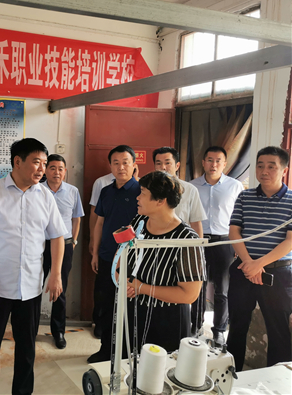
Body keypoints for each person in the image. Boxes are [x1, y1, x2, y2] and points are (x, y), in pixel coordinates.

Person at [0, 138, 66, 395]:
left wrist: (55, 274)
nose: (42, 169)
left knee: (26, 348)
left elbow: (57, 236)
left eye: (44, 163)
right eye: (36, 162)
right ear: (17, 162)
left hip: (31, 286)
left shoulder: (45, 196)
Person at [227, 146, 292, 371]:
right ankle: (232, 373)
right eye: (260, 166)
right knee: (237, 324)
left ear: (284, 170)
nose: (264, 171)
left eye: (271, 167)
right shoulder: (244, 196)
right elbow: (234, 231)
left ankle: (278, 378)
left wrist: (258, 264)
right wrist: (249, 263)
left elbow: (290, 241)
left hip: (278, 273)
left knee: (278, 328)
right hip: (243, 269)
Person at [125, 171, 205, 351]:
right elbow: (122, 257)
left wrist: (141, 288)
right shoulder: (139, 222)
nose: (137, 198)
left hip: (167, 320)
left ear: (160, 200)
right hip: (134, 310)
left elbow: (189, 295)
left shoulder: (187, 239)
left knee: (161, 365)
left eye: (143, 193)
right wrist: (125, 283)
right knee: (129, 363)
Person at [88, 145, 141, 363]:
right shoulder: (106, 191)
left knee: (129, 307)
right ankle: (106, 350)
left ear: (134, 165)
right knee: (106, 305)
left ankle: (127, 353)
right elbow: (99, 223)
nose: (121, 167)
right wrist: (95, 252)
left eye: (125, 162)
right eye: (116, 163)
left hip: (133, 261)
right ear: (110, 166)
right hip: (107, 257)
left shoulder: (142, 192)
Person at [191, 146, 244, 345]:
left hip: (224, 241)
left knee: (222, 289)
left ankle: (219, 330)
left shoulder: (235, 186)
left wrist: (238, 245)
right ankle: (195, 326)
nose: (214, 164)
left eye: (218, 161)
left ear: (225, 164)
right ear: (203, 162)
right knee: (198, 286)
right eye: (210, 160)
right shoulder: (192, 186)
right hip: (199, 241)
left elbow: (241, 218)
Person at [42, 154, 85, 349]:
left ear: (65, 171)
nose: (56, 172)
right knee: (34, 287)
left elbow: (77, 218)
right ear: (45, 170)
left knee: (60, 289)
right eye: (52, 168)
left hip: (65, 245)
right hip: (40, 245)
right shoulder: (37, 190)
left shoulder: (72, 191)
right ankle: (29, 327)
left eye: (60, 169)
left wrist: (73, 241)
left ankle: (58, 331)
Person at [153, 147, 206, 238]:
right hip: (154, 241)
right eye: (158, 163)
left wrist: (199, 245)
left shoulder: (190, 190)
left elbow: (196, 223)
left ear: (177, 166)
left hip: (181, 241)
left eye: (167, 163)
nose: (163, 167)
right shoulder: (148, 189)